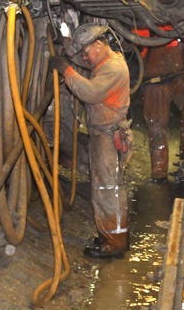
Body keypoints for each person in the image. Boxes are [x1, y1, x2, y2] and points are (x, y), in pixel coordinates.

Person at [49, 22, 131, 259]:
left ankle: (114, 243)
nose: (85, 57)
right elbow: (86, 71)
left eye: (86, 51)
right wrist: (69, 53)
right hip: (103, 134)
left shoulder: (113, 68)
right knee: (106, 187)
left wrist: (66, 71)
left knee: (107, 189)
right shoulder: (105, 63)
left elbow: (90, 92)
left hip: (108, 135)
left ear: (99, 44)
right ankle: (112, 234)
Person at [135, 11, 184, 186]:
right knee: (157, 126)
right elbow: (135, 54)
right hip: (155, 82)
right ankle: (159, 173)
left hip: (179, 77)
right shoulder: (147, 28)